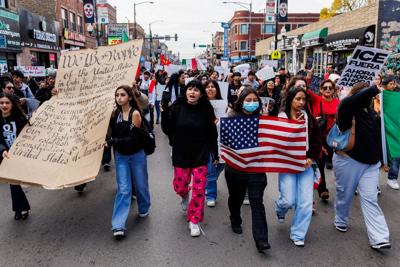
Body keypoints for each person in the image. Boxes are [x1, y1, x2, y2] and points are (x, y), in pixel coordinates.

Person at [333, 82, 390, 250]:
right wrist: (373, 87)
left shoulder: (371, 111)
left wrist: (382, 160)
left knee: (370, 199)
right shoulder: (346, 107)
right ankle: (340, 219)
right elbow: (351, 102)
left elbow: (376, 137)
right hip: (348, 161)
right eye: (367, 95)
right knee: (344, 195)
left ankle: (379, 237)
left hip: (371, 164)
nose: (371, 98)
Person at [164, 80, 218, 237]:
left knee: (199, 189)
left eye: (196, 90)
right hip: (181, 153)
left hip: (201, 155)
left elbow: (212, 134)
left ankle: (194, 220)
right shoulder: (177, 107)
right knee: (179, 186)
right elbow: (167, 129)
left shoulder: (206, 110)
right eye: (190, 89)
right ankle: (184, 195)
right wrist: (164, 112)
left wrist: (215, 153)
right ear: (186, 92)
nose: (192, 92)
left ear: (201, 94)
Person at [224, 87, 270, 253]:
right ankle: (235, 218)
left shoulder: (263, 120)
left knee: (257, 202)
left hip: (256, 169)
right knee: (235, 198)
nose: (251, 103)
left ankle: (261, 239)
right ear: (241, 101)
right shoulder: (230, 118)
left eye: (254, 100)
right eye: (248, 100)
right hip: (235, 169)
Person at [275, 85, 321, 247]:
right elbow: (278, 142)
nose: (301, 102)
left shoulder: (309, 117)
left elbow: (316, 139)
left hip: (305, 165)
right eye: (298, 99)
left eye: (304, 99)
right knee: (287, 200)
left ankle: (298, 233)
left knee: (306, 202)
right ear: (290, 100)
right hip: (287, 164)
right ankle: (279, 208)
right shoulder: (282, 116)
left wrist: (310, 157)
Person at [106, 85, 151, 240]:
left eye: (123, 94)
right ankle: (118, 225)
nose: (119, 98)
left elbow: (133, 139)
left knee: (140, 185)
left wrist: (113, 142)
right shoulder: (115, 114)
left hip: (137, 155)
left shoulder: (135, 114)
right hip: (121, 157)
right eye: (117, 95)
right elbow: (107, 132)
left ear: (130, 97)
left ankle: (144, 207)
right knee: (124, 189)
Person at [0, 93, 31, 220]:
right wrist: (2, 150)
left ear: (12, 104)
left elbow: (30, 132)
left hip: (20, 154)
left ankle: (20, 208)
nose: (4, 105)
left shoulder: (20, 118)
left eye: (7, 103)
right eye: (1, 103)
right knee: (13, 182)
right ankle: (21, 208)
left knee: (14, 182)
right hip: (5, 156)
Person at [308, 79, 340, 200]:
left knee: (339, 163)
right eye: (325, 88)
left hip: (336, 138)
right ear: (321, 90)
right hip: (320, 138)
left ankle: (346, 185)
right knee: (320, 164)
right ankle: (323, 190)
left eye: (330, 88)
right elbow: (307, 90)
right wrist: (308, 76)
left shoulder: (338, 102)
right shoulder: (317, 100)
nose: (327, 90)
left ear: (334, 90)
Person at [204, 80, 225, 207]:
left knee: (221, 166)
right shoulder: (199, 104)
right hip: (207, 142)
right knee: (211, 167)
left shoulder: (224, 104)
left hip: (222, 140)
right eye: (207, 87)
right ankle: (210, 194)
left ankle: (209, 181)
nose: (210, 89)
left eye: (213, 87)